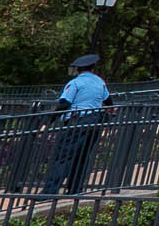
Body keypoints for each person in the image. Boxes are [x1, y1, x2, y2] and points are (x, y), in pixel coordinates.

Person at [42, 53, 109, 196]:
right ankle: (75, 189)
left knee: (62, 157)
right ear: (93, 67)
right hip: (95, 123)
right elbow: (109, 101)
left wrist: (48, 122)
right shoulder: (100, 82)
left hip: (76, 122)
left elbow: (64, 103)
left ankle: (49, 192)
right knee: (82, 157)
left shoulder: (75, 83)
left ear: (78, 69)